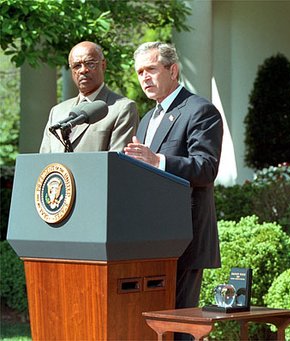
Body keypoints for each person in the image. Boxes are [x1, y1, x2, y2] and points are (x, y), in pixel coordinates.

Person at [123, 42, 223, 316]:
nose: (144, 77)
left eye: (151, 69)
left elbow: (206, 168)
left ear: (173, 70)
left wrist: (158, 161)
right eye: (140, 71)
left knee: (179, 324)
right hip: (149, 238)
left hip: (184, 238)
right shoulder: (146, 120)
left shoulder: (200, 111)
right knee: (154, 323)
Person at [40, 41, 139, 152]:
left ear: (103, 65)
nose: (83, 70)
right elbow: (44, 161)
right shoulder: (57, 112)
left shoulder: (122, 108)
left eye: (90, 63)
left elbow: (116, 162)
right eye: (77, 66)